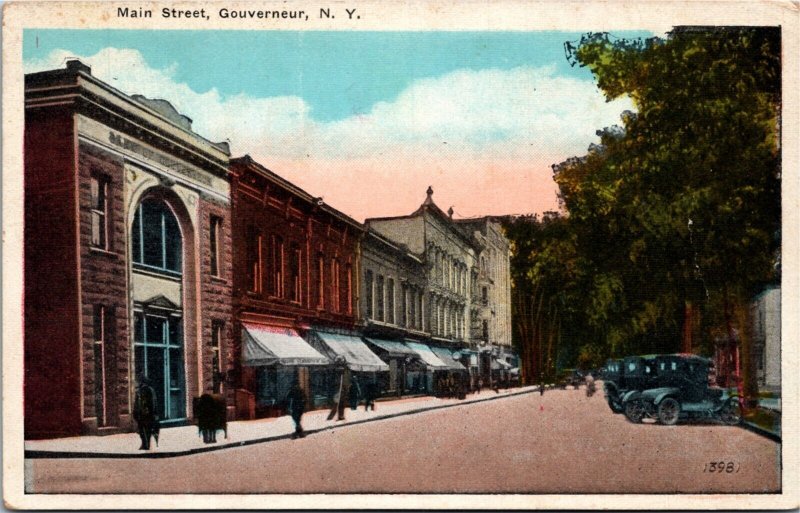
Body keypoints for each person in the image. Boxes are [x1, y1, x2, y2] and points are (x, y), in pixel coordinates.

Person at [133, 375, 158, 450]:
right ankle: (144, 444)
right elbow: (137, 403)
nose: (136, 383)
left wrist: (153, 413)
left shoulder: (148, 390)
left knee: (146, 430)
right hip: (143, 414)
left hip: (146, 414)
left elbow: (152, 403)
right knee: (143, 430)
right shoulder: (140, 391)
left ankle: (146, 445)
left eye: (138, 382)